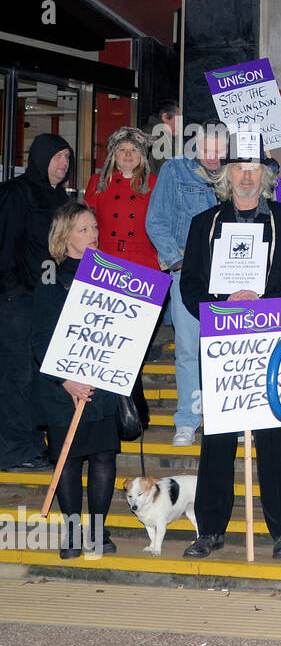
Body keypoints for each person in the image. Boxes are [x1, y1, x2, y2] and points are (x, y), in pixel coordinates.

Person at [179, 155, 281, 559]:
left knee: (274, 437)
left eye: (254, 168)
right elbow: (190, 286)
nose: (247, 176)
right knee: (217, 439)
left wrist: (261, 301)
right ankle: (210, 529)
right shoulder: (205, 225)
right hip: (223, 343)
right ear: (227, 176)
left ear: (267, 176)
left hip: (270, 340)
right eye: (239, 168)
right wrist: (225, 302)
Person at [31, 203, 119, 558]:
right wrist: (66, 381)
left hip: (102, 383)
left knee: (102, 455)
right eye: (84, 229)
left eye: (95, 227)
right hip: (61, 388)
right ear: (65, 236)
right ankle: (71, 532)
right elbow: (41, 337)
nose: (94, 234)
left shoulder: (111, 273)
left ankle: (97, 531)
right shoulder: (50, 274)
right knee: (67, 458)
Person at [0, 133, 73, 471]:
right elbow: (6, 243)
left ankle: (33, 443)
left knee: (40, 373)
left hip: (49, 298)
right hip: (19, 298)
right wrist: (12, 289)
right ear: (40, 158)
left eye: (67, 158)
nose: (63, 164)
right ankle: (16, 448)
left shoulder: (60, 199)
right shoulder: (18, 192)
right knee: (18, 375)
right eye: (57, 157)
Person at [146, 123, 221, 446]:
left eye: (220, 150)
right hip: (187, 273)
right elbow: (156, 220)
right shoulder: (175, 171)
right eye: (208, 149)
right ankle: (188, 419)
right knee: (189, 350)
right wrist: (175, 261)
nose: (214, 157)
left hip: (228, 276)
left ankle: (222, 416)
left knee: (222, 349)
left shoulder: (238, 173)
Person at [84, 126, 160, 430]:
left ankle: (133, 409)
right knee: (110, 345)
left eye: (134, 150)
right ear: (112, 155)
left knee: (135, 346)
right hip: (106, 266)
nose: (127, 155)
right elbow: (84, 224)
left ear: (143, 155)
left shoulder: (154, 184)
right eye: (121, 150)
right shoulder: (97, 183)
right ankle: (122, 412)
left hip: (144, 269)